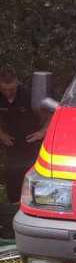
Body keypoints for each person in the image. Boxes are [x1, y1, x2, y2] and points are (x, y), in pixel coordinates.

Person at [0, 66, 46, 204]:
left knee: (33, 180)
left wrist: (42, 132)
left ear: (17, 84)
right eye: (4, 90)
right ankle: (13, 207)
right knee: (13, 180)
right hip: (11, 146)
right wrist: (1, 134)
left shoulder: (29, 94)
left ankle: (35, 207)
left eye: (11, 89)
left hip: (32, 144)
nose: (8, 93)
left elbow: (53, 115)